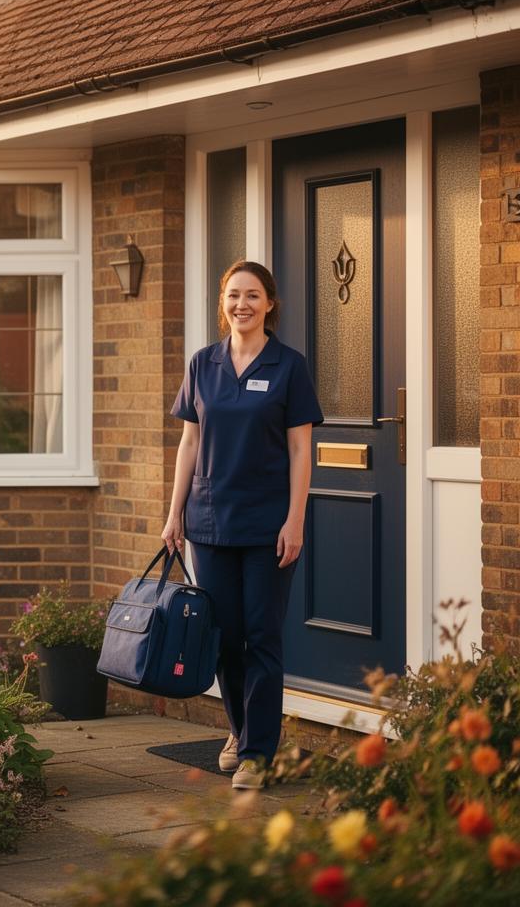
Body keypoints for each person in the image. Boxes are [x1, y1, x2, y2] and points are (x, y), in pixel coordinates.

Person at [161, 260, 323, 790]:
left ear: (270, 304)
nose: (242, 305)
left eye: (253, 296)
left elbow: (302, 448)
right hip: (208, 522)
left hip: (268, 524)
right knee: (224, 638)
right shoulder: (202, 364)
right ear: (222, 301)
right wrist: (174, 513)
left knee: (262, 636)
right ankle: (237, 729)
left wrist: (295, 519)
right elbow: (189, 442)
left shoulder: (288, 366)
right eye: (233, 295)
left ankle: (257, 752)